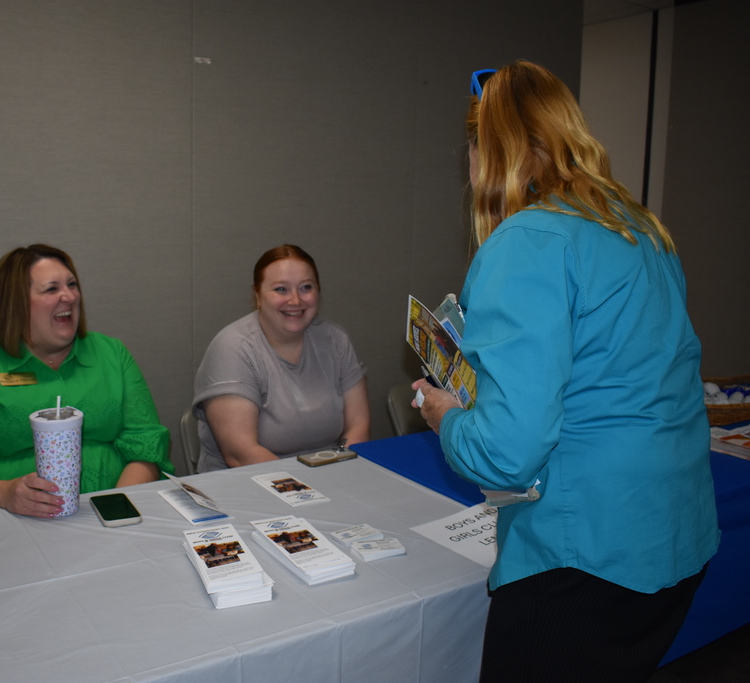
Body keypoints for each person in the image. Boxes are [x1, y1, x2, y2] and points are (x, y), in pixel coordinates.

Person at [412, 61, 720, 682]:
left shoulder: (530, 241)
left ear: (487, 149)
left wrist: (445, 415)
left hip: (586, 556)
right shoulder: (640, 230)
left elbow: (506, 455)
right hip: (672, 538)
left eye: (472, 146)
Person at [0, 244, 173, 517]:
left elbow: (147, 447)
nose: (69, 296)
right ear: (14, 303)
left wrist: (112, 506)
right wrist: (4, 495)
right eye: (52, 289)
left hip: (113, 515)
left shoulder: (112, 354)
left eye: (72, 285)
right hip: (6, 521)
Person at [192, 244, 369, 472]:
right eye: (281, 289)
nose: (295, 300)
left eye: (306, 287)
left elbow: (358, 426)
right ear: (257, 295)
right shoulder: (233, 349)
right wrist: (310, 488)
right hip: (246, 485)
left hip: (329, 477)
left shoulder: (336, 340)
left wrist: (337, 476)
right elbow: (241, 454)